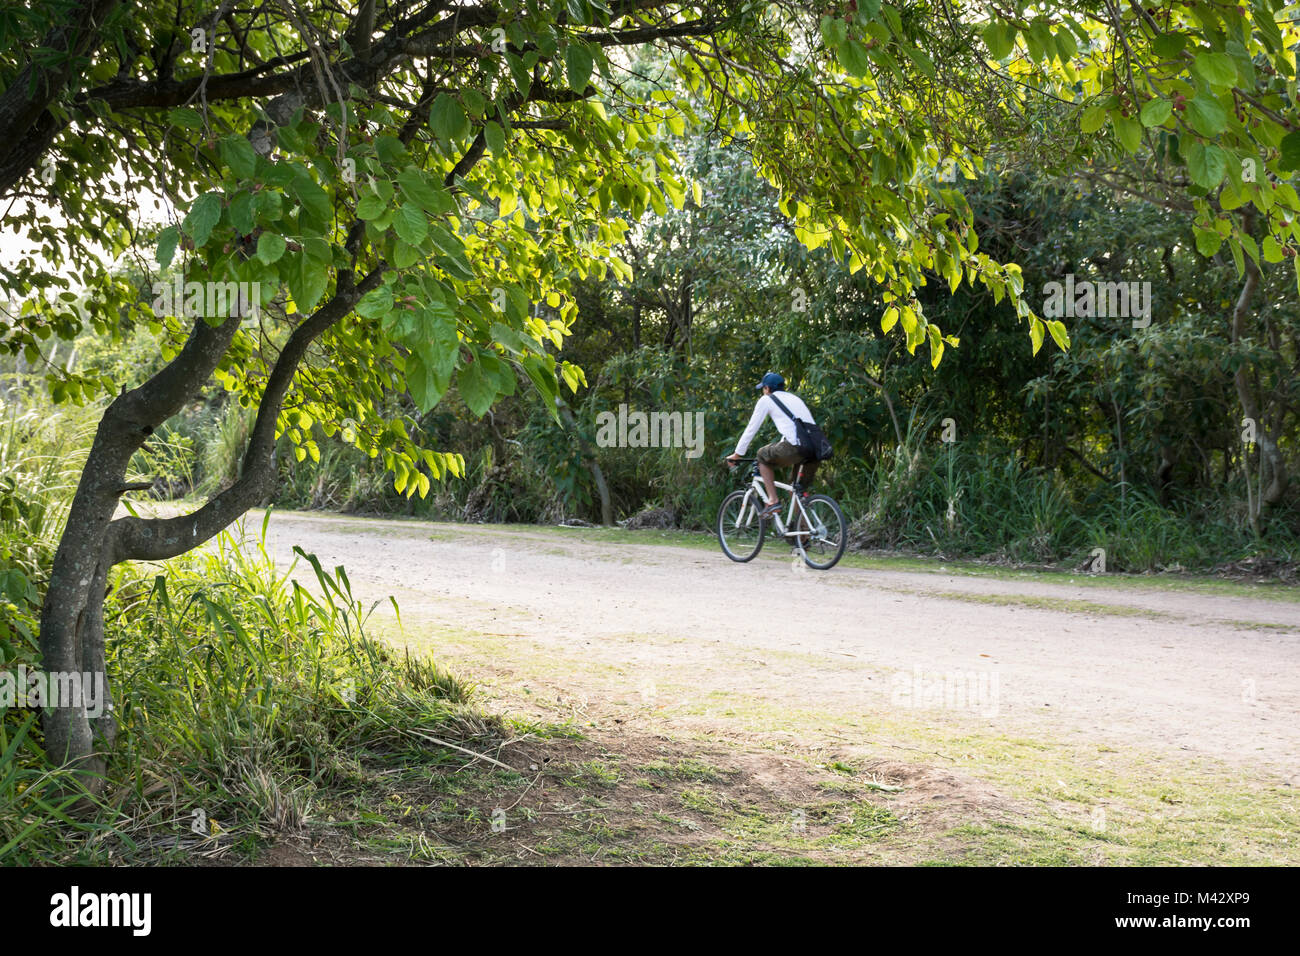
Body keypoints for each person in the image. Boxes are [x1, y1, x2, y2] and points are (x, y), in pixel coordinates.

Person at [726, 372, 819, 517]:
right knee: (795, 491)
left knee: (762, 455)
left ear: (767, 389)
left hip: (795, 447)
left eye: (763, 389)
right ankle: (804, 536)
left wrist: (737, 454)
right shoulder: (795, 399)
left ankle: (773, 500)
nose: (763, 392)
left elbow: (751, 428)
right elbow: (796, 430)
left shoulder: (766, 399)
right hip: (815, 449)